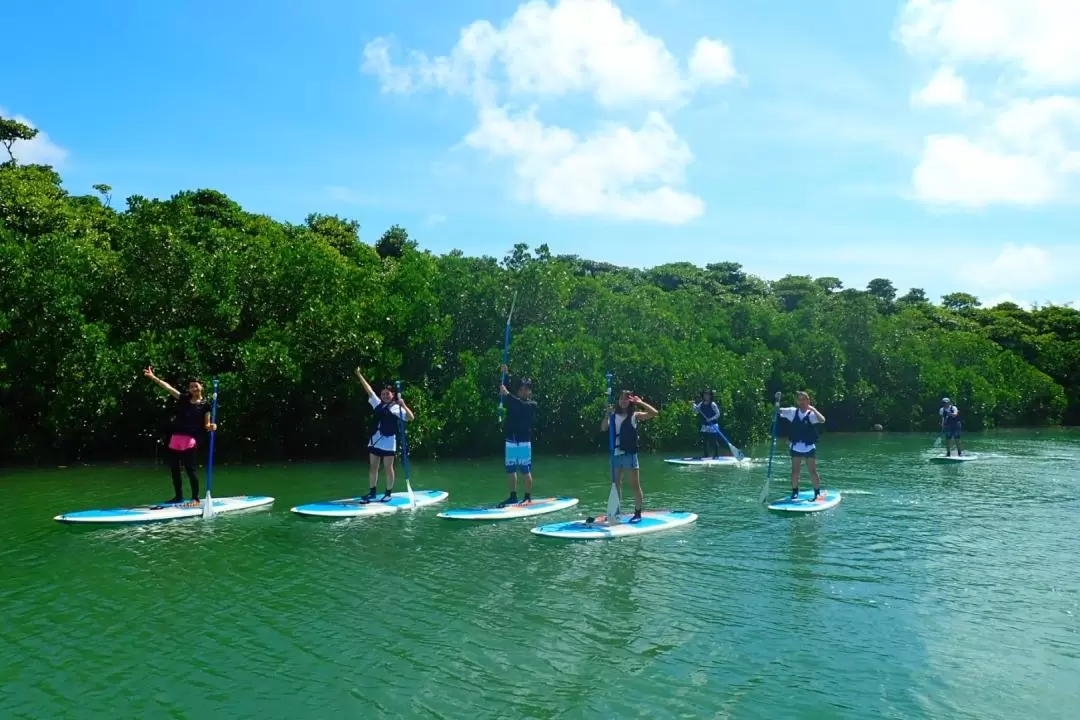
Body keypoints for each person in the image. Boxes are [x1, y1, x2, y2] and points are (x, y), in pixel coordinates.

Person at [144, 366, 216, 505]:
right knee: (174, 469)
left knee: (190, 469)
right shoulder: (183, 399)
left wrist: (212, 426)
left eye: (196, 386)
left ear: (201, 387)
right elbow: (168, 388)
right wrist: (153, 377)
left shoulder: (206, 405)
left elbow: (206, 425)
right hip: (176, 438)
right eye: (191, 387)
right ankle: (178, 497)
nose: (193, 389)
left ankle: (195, 498)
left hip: (190, 439)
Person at [354, 368, 415, 502]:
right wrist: (359, 374)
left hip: (388, 442)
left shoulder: (396, 408)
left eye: (388, 394)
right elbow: (369, 390)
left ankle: (388, 493)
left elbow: (411, 418)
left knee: (388, 468)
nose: (385, 396)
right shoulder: (378, 404)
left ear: (392, 395)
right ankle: (372, 492)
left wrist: (403, 405)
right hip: (375, 440)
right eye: (383, 394)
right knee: (373, 467)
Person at [600, 390, 659, 522]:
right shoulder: (613, 415)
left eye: (626, 399)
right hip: (615, 454)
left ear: (630, 402)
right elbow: (604, 428)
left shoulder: (634, 415)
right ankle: (616, 512)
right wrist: (607, 414)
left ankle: (637, 513)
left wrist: (640, 402)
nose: (623, 401)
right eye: (621, 399)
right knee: (615, 484)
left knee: (634, 485)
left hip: (629, 455)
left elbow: (654, 413)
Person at [497, 364, 537, 507]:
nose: (523, 392)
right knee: (510, 469)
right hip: (511, 440)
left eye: (526, 390)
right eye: (521, 389)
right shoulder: (513, 400)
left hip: (524, 442)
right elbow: (505, 391)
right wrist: (505, 375)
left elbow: (518, 403)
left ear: (529, 392)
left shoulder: (531, 404)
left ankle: (527, 497)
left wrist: (507, 394)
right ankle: (513, 496)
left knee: (525, 470)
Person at [778, 390, 826, 500]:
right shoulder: (792, 412)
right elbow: (778, 411)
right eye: (799, 400)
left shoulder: (812, 415)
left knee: (812, 471)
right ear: (797, 401)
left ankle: (817, 492)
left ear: (808, 400)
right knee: (795, 471)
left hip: (809, 446)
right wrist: (777, 403)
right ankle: (795, 492)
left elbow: (822, 420)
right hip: (796, 447)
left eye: (804, 399)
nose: (802, 402)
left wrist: (813, 408)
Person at [690, 389, 723, 458]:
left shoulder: (713, 404)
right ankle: (706, 455)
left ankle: (716, 455)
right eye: (705, 395)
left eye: (708, 395)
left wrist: (710, 419)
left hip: (713, 425)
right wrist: (692, 405)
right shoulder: (701, 404)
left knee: (713, 440)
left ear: (710, 396)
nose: (706, 396)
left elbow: (718, 414)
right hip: (704, 426)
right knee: (705, 441)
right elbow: (695, 412)